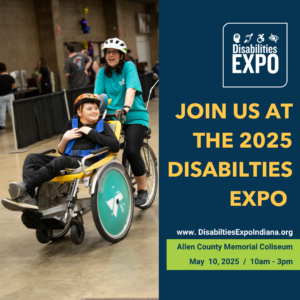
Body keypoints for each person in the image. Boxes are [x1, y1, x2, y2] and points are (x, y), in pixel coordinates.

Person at [1, 94, 119, 211]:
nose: (94, 111)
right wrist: (65, 138)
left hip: (86, 161)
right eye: (89, 109)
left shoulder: (102, 125)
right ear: (79, 112)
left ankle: (25, 186)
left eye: (96, 108)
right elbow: (61, 151)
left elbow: (115, 146)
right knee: (31, 158)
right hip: (67, 159)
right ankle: (30, 197)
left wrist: (91, 133)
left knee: (61, 160)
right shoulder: (71, 123)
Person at [94, 38, 149, 207]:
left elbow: (131, 90)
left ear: (121, 55)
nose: (110, 55)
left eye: (114, 52)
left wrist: (125, 108)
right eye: (107, 52)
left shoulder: (128, 67)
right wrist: (92, 111)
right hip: (110, 116)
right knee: (101, 151)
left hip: (134, 116)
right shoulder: (102, 73)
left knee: (132, 151)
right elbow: (98, 97)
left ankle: (142, 190)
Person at [0, 62, 16, 131]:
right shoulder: (10, 77)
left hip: (1, 96)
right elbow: (14, 87)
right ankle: (15, 124)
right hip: (10, 95)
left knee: (2, 111)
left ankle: (2, 126)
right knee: (11, 110)